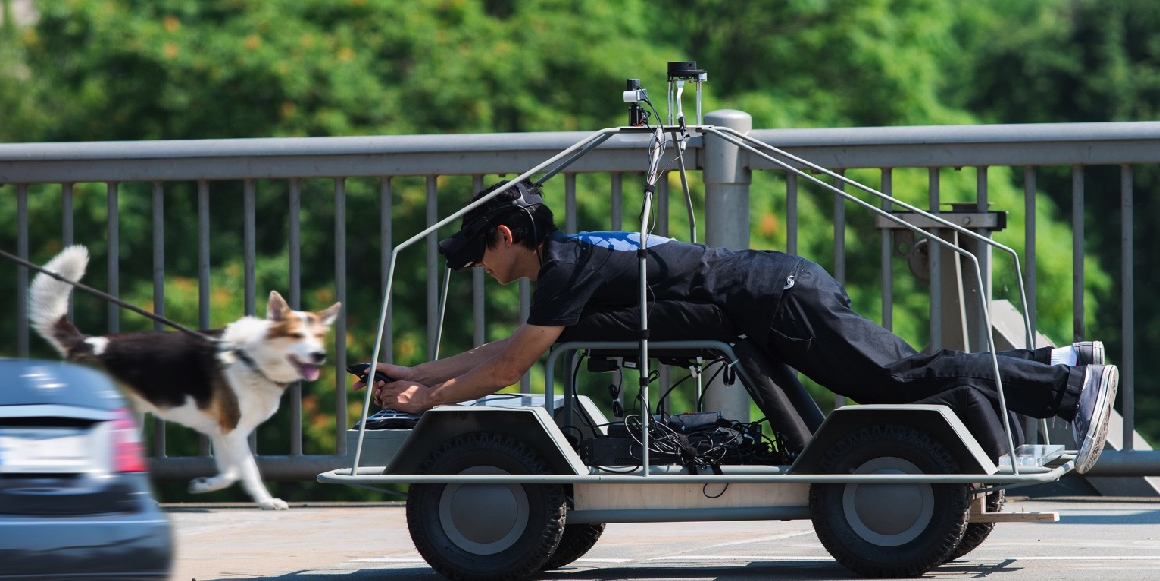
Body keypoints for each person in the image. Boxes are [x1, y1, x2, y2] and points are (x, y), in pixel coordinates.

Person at [365, 180, 1119, 473]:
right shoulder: (571, 256)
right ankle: (1051, 362)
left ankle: (1065, 390)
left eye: (478, 258)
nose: (481, 272)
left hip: (773, 297)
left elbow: (506, 373)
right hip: (777, 285)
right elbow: (503, 352)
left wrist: (425, 406)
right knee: (910, 371)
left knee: (900, 383)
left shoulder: (563, 271)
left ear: (503, 237)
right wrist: (417, 376)